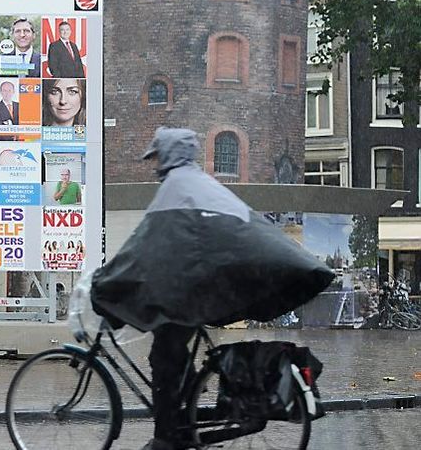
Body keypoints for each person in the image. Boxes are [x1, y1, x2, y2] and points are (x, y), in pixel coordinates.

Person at [91, 128, 335, 450]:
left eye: (157, 157)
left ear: (168, 155)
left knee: (164, 357)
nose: (155, 165)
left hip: (196, 294)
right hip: (208, 289)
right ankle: (188, 403)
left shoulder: (177, 188)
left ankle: (167, 439)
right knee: (173, 350)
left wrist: (107, 280)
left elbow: (142, 248)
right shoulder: (200, 183)